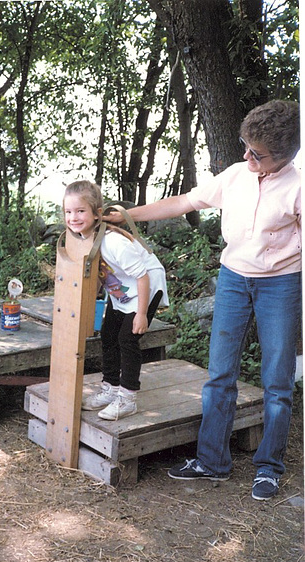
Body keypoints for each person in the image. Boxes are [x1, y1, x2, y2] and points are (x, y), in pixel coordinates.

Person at [104, 99, 301, 500]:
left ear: (282, 156)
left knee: (277, 380)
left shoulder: (298, 187)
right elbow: (184, 202)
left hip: (280, 284)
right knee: (219, 373)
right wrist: (128, 215)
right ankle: (212, 461)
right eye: (244, 145)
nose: (246, 156)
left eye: (256, 153)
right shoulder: (235, 175)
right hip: (232, 279)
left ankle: (269, 467)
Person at [63, 180, 169, 420]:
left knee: (127, 339)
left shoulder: (114, 241)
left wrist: (141, 314)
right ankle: (111, 388)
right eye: (68, 212)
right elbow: (101, 274)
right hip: (121, 289)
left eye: (80, 211)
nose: (73, 217)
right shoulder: (84, 239)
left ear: (97, 213)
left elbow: (142, 276)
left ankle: (127, 397)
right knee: (108, 334)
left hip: (146, 287)